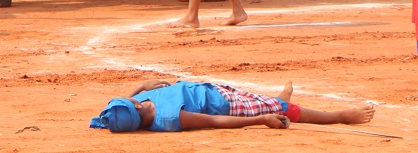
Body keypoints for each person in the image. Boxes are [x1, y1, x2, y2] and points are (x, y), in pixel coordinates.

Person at [90, 77, 374, 133]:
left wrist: (142, 86)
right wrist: (260, 120)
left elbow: (127, 101)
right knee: (280, 110)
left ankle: (275, 101)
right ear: (136, 110)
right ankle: (341, 116)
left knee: (262, 100)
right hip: (225, 107)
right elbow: (213, 121)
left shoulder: (137, 107)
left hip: (212, 90)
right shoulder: (169, 118)